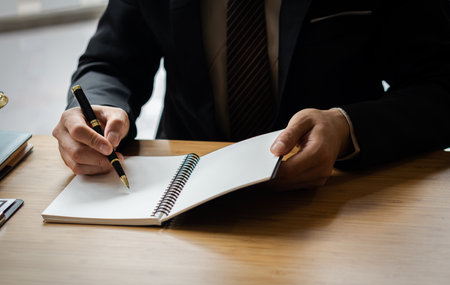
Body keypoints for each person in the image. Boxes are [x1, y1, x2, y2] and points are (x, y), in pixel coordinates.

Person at [53, 0, 450, 190]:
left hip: (335, 196)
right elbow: (108, 62)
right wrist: (96, 107)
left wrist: (347, 128)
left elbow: (438, 84)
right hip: (181, 192)